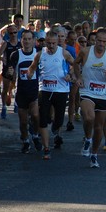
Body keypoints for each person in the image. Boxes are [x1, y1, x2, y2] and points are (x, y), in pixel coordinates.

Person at [74, 28, 106, 168]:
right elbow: (76, 63)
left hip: (103, 93)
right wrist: (79, 77)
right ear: (94, 40)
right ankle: (88, 138)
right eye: (98, 40)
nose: (101, 44)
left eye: (104, 41)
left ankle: (94, 155)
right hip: (87, 90)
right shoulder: (86, 51)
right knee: (89, 117)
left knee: (99, 127)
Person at [27, 31, 75, 160]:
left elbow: (74, 65)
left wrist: (70, 75)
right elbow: (32, 67)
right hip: (45, 90)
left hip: (61, 90)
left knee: (58, 121)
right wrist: (30, 73)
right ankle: (47, 148)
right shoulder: (40, 54)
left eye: (54, 43)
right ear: (45, 42)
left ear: (57, 42)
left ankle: (55, 128)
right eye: (49, 43)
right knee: (43, 119)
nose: (51, 46)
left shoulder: (63, 53)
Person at [8, 30, 41, 154]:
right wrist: (10, 74)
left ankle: (36, 136)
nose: (26, 41)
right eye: (24, 39)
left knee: (36, 116)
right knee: (23, 121)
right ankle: (26, 141)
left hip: (34, 92)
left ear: (33, 40)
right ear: (21, 40)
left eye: (29, 39)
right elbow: (10, 74)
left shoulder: (38, 55)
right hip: (21, 92)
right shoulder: (15, 55)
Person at [0, 25, 21, 119]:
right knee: (5, 88)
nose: (13, 34)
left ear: (17, 32)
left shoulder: (20, 43)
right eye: (11, 33)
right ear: (8, 34)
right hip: (7, 68)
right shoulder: (6, 43)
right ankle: (3, 107)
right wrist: (3, 59)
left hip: (17, 68)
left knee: (17, 87)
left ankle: (16, 104)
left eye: (15, 32)